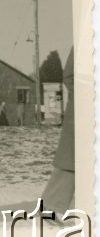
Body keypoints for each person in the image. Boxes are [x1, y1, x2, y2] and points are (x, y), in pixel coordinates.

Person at [41, 47, 74, 218]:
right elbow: (71, 75)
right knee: (72, 159)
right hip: (85, 109)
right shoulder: (87, 32)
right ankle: (51, 207)